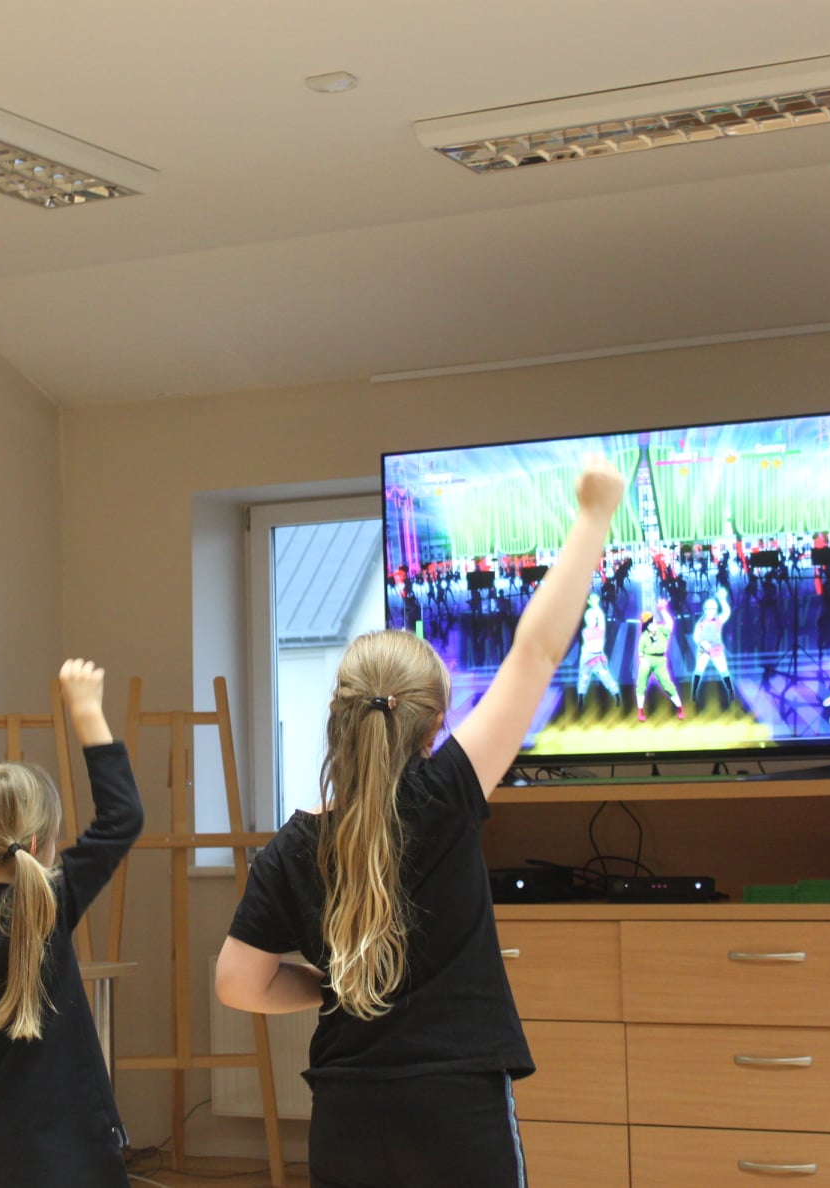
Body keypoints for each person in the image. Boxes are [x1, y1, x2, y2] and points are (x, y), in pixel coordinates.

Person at [214, 457, 626, 1188]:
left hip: (345, 1114)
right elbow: (536, 651)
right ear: (436, 725)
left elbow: (238, 984)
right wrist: (593, 518)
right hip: (456, 1107)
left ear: (339, 721)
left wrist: (329, 984)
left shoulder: (289, 848)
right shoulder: (446, 793)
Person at [0, 659, 144, 1188]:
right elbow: (123, 817)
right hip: (76, 1161)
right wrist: (86, 711)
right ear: (39, 845)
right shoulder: (46, 908)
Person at [636, 598, 684, 721]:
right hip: (647, 659)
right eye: (648, 623)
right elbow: (640, 651)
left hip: (660, 661)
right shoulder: (644, 636)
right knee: (641, 685)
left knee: (668, 685)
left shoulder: (662, 630)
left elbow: (670, 623)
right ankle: (640, 710)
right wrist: (642, 660)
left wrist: (663, 610)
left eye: (652, 621)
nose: (652, 624)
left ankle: (680, 708)